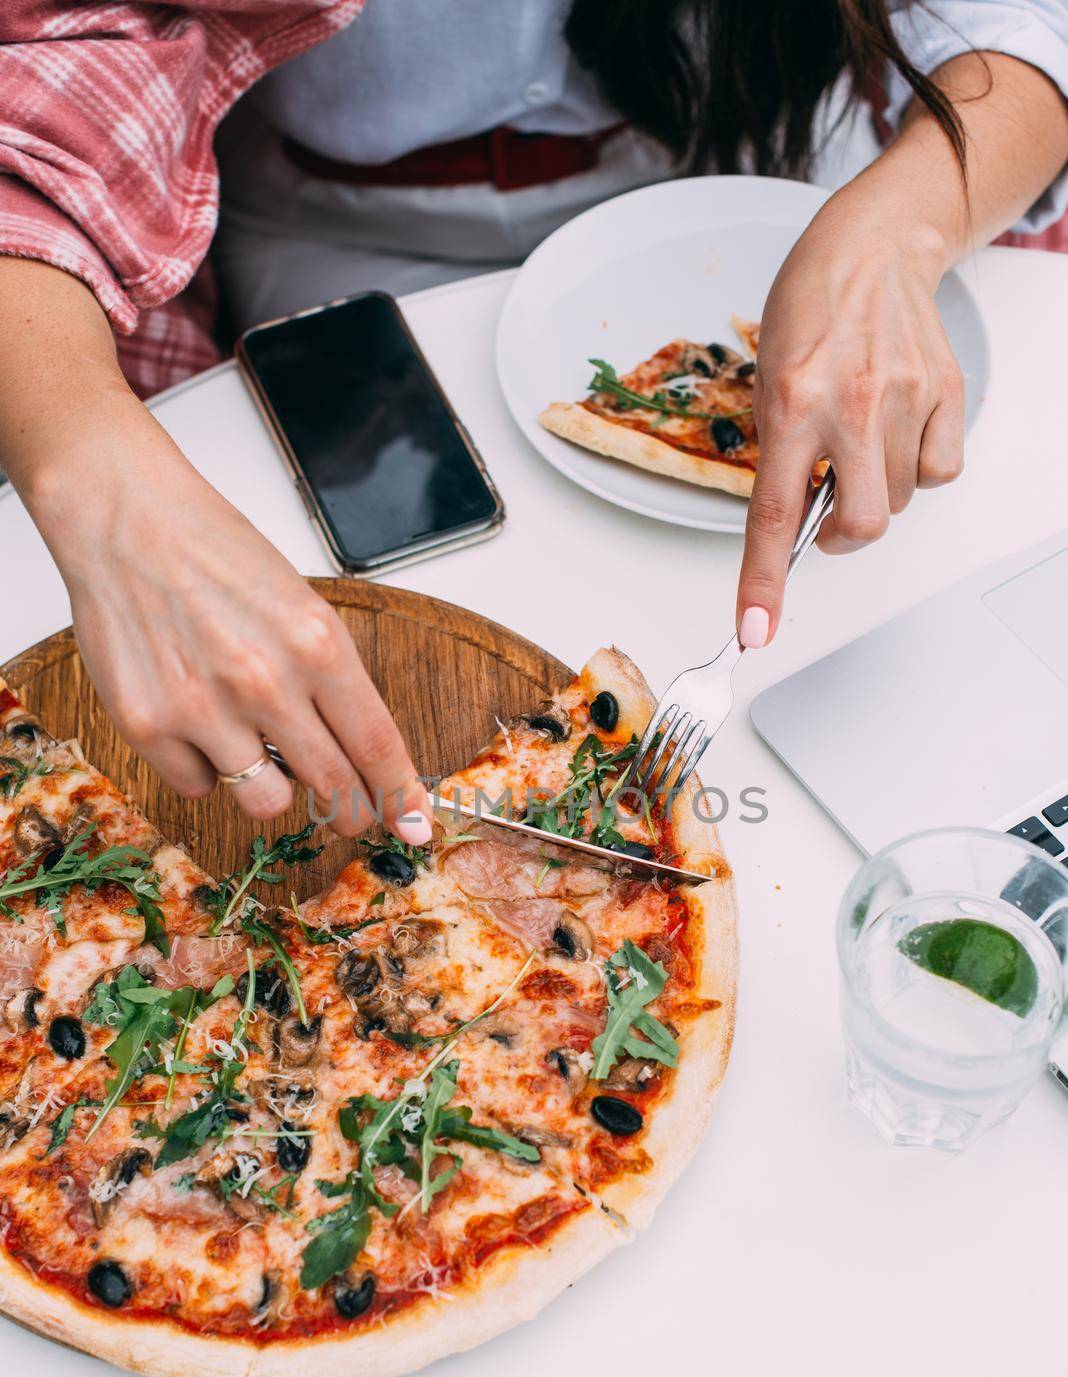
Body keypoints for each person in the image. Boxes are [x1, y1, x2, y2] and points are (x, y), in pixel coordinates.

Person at [0, 1, 1065, 844]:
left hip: (750, 184)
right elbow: (32, 122)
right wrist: (97, 481)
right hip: (339, 228)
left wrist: (896, 229)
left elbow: (1027, 30)